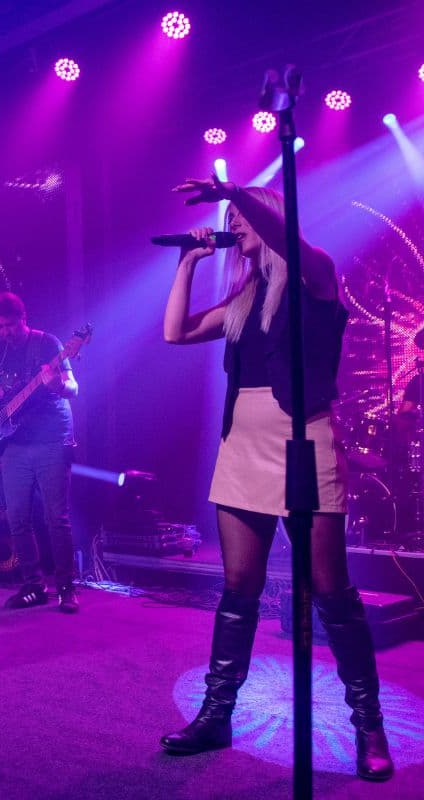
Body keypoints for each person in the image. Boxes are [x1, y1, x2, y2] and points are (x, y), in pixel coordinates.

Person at [158, 176, 393, 781]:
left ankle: (368, 724)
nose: (233, 224)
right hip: (242, 446)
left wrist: (233, 192)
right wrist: (187, 263)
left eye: (243, 216)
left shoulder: (316, 277)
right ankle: (217, 714)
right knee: (238, 587)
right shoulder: (243, 300)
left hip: (304, 441)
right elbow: (175, 332)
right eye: (232, 217)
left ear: (266, 216)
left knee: (331, 589)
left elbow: (286, 239)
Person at [0, 291, 80, 612]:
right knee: (17, 518)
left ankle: (66, 586)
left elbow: (73, 387)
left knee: (56, 518)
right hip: (15, 444)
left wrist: (56, 385)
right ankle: (33, 585)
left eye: (10, 325)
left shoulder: (48, 344)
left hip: (51, 439)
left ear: (23, 319)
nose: (5, 332)